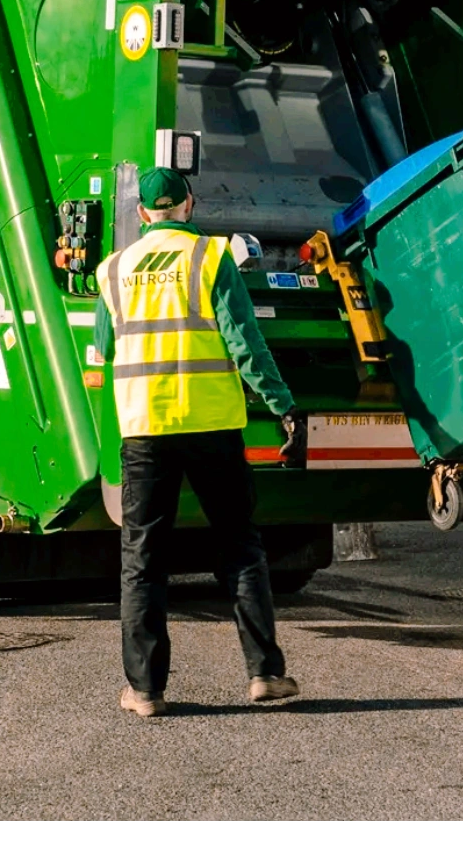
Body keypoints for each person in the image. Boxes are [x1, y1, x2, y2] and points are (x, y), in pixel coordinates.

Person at [93, 166, 303, 717]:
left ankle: (144, 691)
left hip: (145, 430)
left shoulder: (112, 270)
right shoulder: (212, 258)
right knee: (239, 546)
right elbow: (245, 343)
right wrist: (283, 406)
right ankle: (264, 676)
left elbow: (101, 347)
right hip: (211, 427)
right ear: (190, 205)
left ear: (142, 214)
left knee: (143, 560)